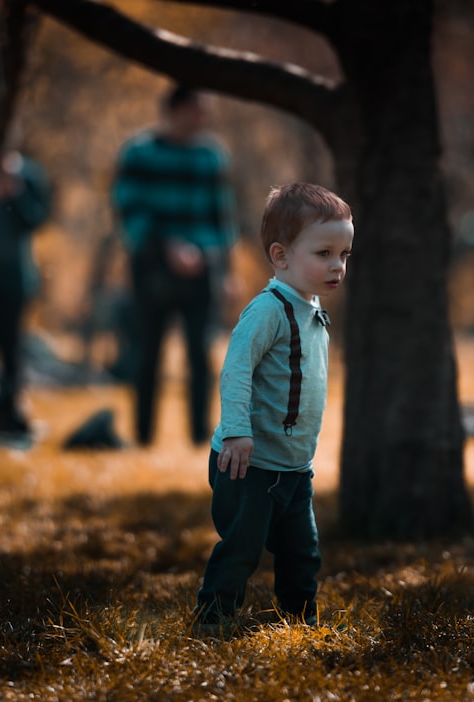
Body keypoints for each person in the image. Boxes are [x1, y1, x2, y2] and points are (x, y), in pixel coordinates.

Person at [194, 182, 354, 635]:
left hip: (293, 468)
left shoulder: (311, 307)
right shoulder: (268, 311)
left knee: (303, 551)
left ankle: (299, 620)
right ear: (281, 256)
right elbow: (236, 371)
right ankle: (213, 619)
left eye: (344, 254)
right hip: (248, 463)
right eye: (323, 253)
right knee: (242, 548)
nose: (337, 265)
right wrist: (236, 431)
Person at [112, 83, 239, 445]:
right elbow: (128, 210)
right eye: (199, 108)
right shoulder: (139, 152)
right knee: (147, 351)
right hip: (152, 267)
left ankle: (200, 436)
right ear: (176, 110)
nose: (206, 116)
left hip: (203, 269)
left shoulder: (212, 155)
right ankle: (143, 436)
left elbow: (222, 217)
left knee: (200, 353)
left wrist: (227, 271)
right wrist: (167, 247)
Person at [0, 150, 51, 437]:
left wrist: (15, 190)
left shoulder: (27, 175)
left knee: (12, 349)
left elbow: (35, 220)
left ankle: (10, 410)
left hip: (15, 278)